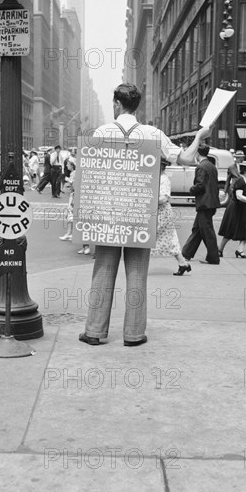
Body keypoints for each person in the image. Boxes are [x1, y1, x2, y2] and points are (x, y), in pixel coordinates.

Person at [79, 83, 206, 347]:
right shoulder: (153, 133)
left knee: (103, 270)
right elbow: (185, 159)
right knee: (137, 273)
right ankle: (134, 334)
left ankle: (94, 331)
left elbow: (90, 173)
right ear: (136, 106)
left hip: (109, 214)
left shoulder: (102, 132)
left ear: (116, 104)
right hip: (140, 213)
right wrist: (199, 136)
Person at [181, 144, 221, 265]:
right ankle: (186, 254)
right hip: (210, 202)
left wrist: (191, 190)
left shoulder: (201, 167)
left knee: (207, 230)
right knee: (197, 229)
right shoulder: (211, 166)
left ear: (198, 154)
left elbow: (200, 185)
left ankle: (213, 257)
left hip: (205, 203)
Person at [152, 157, 191, 275]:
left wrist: (149, 199)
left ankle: (137, 265)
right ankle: (183, 263)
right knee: (169, 238)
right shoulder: (159, 178)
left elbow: (164, 198)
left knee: (148, 236)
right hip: (160, 212)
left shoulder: (163, 179)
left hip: (161, 213)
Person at [218, 161, 246, 258]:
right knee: (230, 230)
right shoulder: (240, 181)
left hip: (243, 208)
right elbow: (239, 196)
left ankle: (240, 250)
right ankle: (219, 250)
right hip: (235, 208)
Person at [58, 159, 90, 255]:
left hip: (79, 199)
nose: (67, 166)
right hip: (74, 197)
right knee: (78, 223)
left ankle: (86, 246)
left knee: (83, 223)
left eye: (68, 164)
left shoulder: (76, 175)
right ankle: (84, 246)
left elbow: (74, 186)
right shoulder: (76, 176)